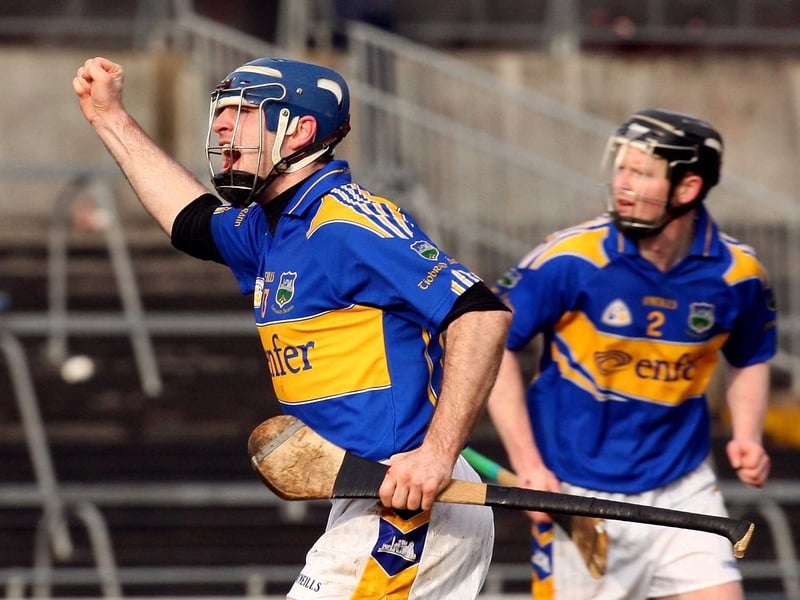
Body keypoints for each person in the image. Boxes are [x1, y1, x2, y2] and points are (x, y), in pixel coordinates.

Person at [73, 56, 510, 599]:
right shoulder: (270, 229)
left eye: (244, 112)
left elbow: (482, 313)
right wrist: (109, 118)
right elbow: (190, 222)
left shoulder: (344, 223)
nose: (222, 125)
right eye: (222, 112)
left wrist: (438, 455)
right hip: (370, 497)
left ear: (301, 131)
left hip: (407, 501)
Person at [487, 108, 776, 599]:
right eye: (621, 168)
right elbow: (490, 348)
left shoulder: (739, 274)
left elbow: (749, 356)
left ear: (686, 189)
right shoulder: (570, 259)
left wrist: (747, 434)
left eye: (640, 173)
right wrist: (528, 464)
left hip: (681, 486)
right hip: (577, 493)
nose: (622, 184)